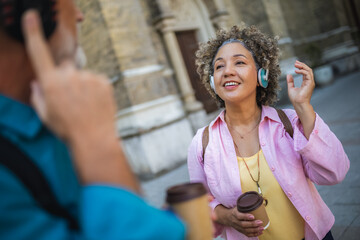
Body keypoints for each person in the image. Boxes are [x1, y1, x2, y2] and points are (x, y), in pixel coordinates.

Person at [0, 1, 185, 239]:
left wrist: (159, 220)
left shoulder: (57, 117)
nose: (80, 16)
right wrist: (98, 144)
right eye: (72, 4)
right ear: (32, 10)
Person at [187, 25, 350, 240]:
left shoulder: (289, 123)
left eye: (239, 62)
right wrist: (225, 216)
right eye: (219, 67)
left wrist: (304, 108)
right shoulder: (202, 143)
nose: (227, 71)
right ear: (212, 81)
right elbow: (200, 209)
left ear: (261, 75)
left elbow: (334, 173)